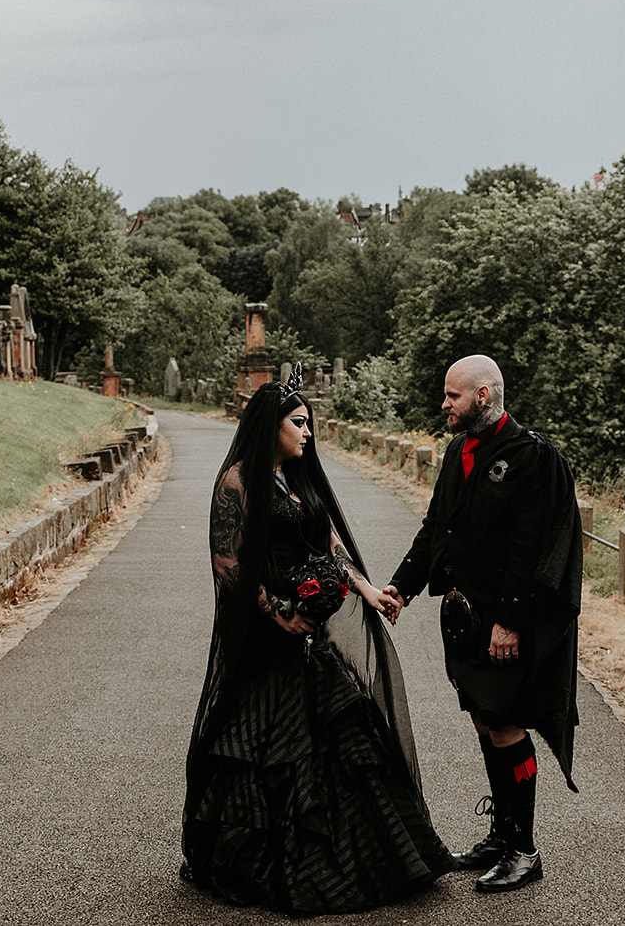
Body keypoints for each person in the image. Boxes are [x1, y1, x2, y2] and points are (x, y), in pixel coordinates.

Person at [181, 373, 455, 913]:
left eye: (310, 424)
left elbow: (330, 545)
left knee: (343, 738)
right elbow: (227, 564)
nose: (309, 433)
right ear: (271, 426)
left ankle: (364, 858)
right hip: (265, 636)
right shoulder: (237, 481)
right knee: (268, 743)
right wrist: (276, 612)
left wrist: (367, 589)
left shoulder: (301, 479)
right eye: (300, 423)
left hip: (311, 632)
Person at [382, 354, 582, 894]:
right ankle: (501, 835)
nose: (444, 404)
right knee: (484, 720)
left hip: (505, 622)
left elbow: (530, 548)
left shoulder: (531, 457)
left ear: (484, 395)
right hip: (465, 620)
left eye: (453, 395)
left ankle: (524, 849)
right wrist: (401, 585)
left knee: (506, 722)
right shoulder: (458, 451)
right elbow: (435, 529)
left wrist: (511, 622)